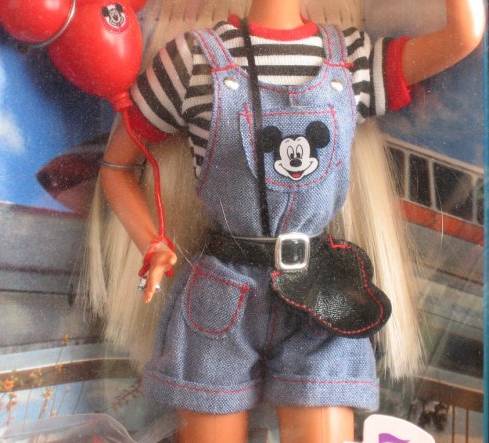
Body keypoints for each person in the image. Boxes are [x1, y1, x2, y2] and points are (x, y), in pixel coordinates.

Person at [83, 0, 485, 441]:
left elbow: (463, 36)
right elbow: (116, 167)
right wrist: (153, 244)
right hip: (224, 294)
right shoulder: (193, 59)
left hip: (322, 295)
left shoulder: (351, 59)